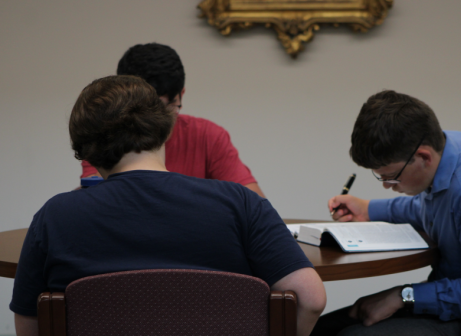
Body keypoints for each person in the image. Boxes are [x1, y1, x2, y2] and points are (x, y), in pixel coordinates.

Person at [11, 76, 325, 336]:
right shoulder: (239, 202)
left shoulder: (55, 217)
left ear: (85, 153)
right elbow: (310, 299)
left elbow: (29, 326)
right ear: (166, 129)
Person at [313, 90, 461, 336]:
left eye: (391, 177)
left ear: (423, 157)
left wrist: (404, 296)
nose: (386, 185)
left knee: (352, 335)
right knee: (322, 329)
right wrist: (367, 209)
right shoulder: (449, 147)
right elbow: (426, 208)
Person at [79, 43, 265, 197]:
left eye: (170, 107)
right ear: (122, 101)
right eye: (149, 110)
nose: (160, 122)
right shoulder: (103, 136)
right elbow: (96, 200)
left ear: (181, 94)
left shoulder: (208, 136)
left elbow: (254, 204)